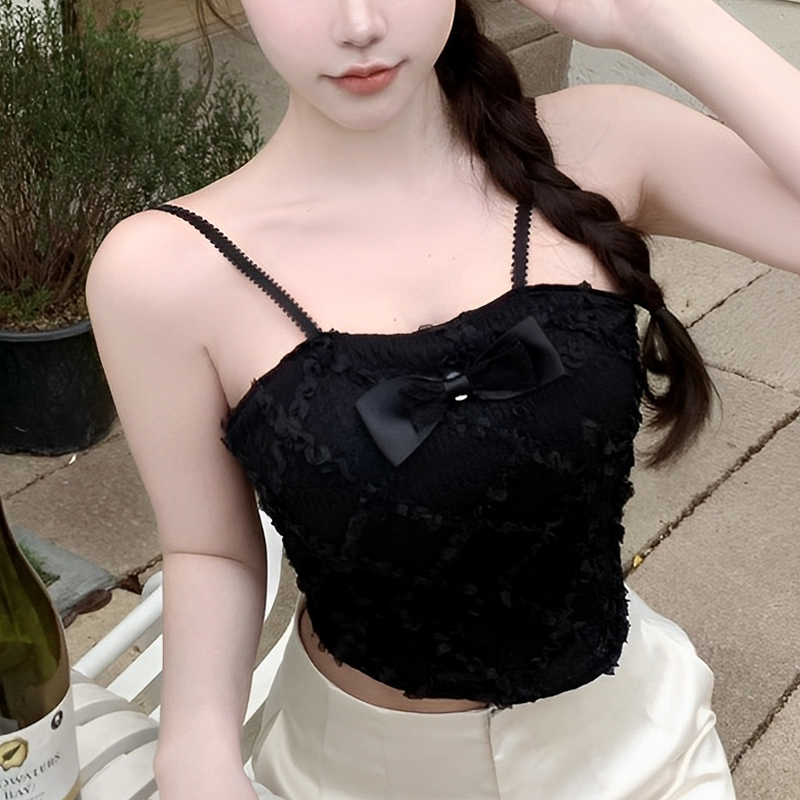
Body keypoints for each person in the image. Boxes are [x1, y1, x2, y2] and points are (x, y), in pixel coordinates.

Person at [86, 0, 800, 797]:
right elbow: (210, 548)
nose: (359, 23)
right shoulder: (166, 272)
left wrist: (653, 17)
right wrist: (195, 752)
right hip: (354, 773)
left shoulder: (600, 144)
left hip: (636, 745)